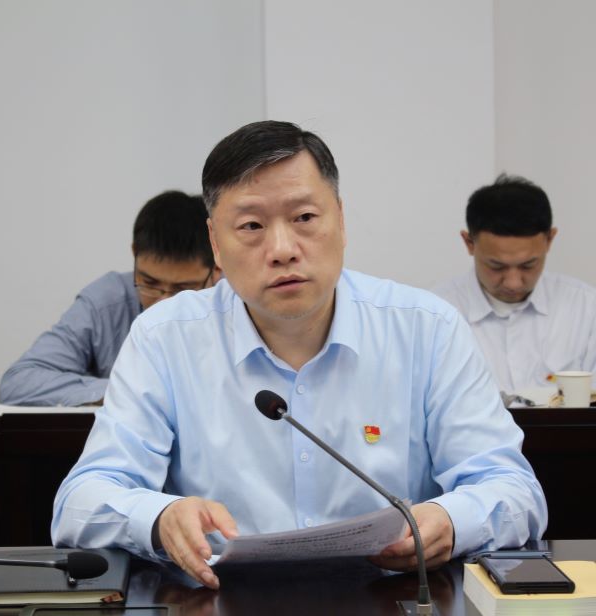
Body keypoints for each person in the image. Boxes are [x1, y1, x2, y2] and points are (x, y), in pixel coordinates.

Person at [52, 121, 547, 590]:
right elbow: (80, 502)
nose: (283, 249)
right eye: (251, 225)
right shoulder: (164, 338)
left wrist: (450, 521)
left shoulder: (426, 328)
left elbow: (514, 489)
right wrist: (159, 518)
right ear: (215, 244)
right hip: (218, 600)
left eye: (305, 218)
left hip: (391, 598)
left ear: (341, 220)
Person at [0, 190, 220, 407]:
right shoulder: (106, 302)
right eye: (150, 283)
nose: (163, 303)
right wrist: (127, 391)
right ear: (134, 252)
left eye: (183, 289)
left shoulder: (236, 305)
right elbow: (18, 383)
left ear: (218, 267)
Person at [433, 174, 596, 393]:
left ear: (550, 239)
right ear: (469, 243)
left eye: (528, 265)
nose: (513, 283)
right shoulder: (436, 316)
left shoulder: (587, 309)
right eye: (496, 266)